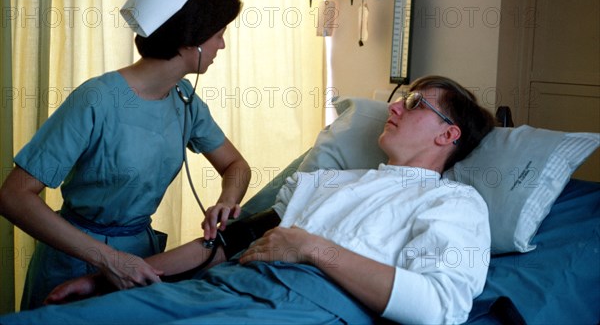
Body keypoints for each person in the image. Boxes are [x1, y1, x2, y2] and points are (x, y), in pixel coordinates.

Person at [0, 75, 496, 324]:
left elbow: (439, 306)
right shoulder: (329, 182)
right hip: (220, 284)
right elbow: (222, 243)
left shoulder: (454, 204)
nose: (395, 104)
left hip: (297, 307)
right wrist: (105, 277)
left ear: (448, 135)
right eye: (401, 94)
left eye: (414, 104)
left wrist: (310, 248)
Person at [0, 0, 250, 310]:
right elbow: (13, 196)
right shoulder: (96, 99)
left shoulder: (184, 99)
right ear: (191, 42)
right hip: (74, 261)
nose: (221, 47)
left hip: (142, 262)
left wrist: (225, 203)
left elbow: (236, 165)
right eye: (218, 36)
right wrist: (109, 260)